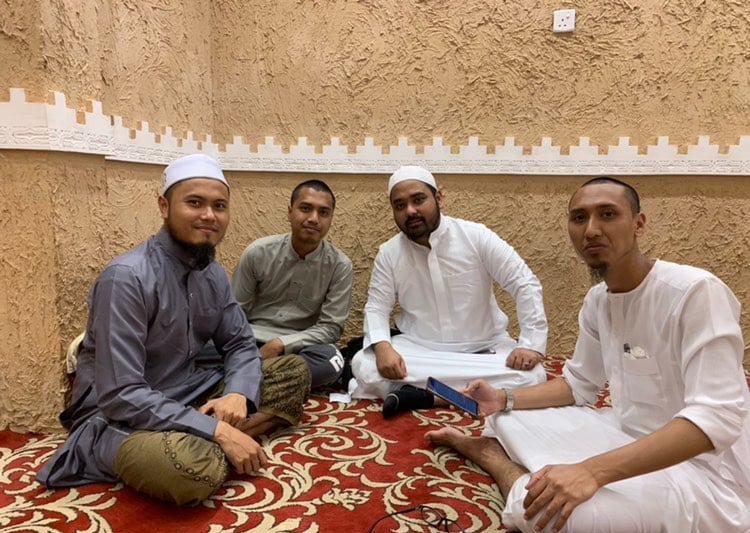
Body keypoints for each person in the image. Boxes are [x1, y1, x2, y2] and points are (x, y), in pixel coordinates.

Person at [426, 177, 750, 533]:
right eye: (579, 218)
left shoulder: (695, 293)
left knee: (549, 518)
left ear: (639, 224)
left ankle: (491, 456)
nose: (591, 230)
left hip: (705, 475)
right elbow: (578, 385)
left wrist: (592, 472)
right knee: (505, 419)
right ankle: (568, 487)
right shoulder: (598, 300)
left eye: (607, 215)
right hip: (624, 436)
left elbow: (716, 419)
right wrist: (502, 398)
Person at [37, 154, 311, 505]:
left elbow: (240, 344)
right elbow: (122, 394)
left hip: (191, 391)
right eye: (194, 203)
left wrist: (238, 394)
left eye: (219, 206)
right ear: (164, 207)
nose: (209, 215)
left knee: (294, 371)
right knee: (189, 468)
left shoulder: (212, 273)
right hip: (121, 418)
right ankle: (215, 440)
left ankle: (212, 438)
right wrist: (216, 429)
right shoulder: (126, 278)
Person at [350, 165, 548, 417]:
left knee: (533, 375)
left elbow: (525, 283)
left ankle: (426, 395)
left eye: (418, 200)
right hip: (422, 348)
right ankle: (462, 394)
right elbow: (378, 306)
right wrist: (382, 347)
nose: (410, 211)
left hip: (484, 348)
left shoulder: (476, 236)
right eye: (400, 205)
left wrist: (531, 345)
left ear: (439, 198)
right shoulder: (389, 253)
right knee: (364, 364)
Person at [231, 179, 353, 389]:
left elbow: (331, 328)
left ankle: (242, 375)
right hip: (252, 339)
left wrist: (281, 344)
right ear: (290, 212)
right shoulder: (258, 253)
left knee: (332, 362)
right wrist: (242, 348)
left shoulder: (339, 266)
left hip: (301, 348)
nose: (313, 218)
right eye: (305, 209)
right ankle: (269, 379)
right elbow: (234, 312)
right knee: (198, 345)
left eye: (323, 212)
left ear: (331, 218)